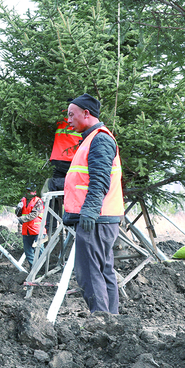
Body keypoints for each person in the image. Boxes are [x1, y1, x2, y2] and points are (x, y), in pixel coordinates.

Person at [62, 93, 124, 314]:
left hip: (95, 219)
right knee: (103, 270)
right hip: (101, 218)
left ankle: (101, 320)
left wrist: (89, 211)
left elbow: (99, 179)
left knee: (89, 272)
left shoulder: (99, 139)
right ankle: (111, 320)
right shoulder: (93, 138)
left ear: (86, 114)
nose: (68, 120)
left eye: (71, 115)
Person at [16, 185, 45, 268]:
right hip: (26, 230)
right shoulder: (23, 200)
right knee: (28, 251)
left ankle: (41, 269)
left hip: (37, 230)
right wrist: (18, 208)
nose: (28, 193)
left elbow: (34, 214)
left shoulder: (38, 201)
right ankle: (33, 269)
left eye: (30, 191)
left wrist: (21, 219)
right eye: (27, 191)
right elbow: (18, 213)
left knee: (39, 250)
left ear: (35, 192)